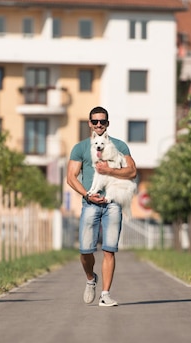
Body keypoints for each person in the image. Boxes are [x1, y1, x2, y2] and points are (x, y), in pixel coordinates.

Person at [66, 106, 137, 307]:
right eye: (95, 121)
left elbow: (132, 172)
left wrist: (109, 170)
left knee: (109, 250)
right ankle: (91, 278)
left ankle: (105, 295)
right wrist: (87, 194)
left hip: (113, 203)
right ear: (89, 123)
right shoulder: (80, 148)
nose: (99, 124)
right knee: (85, 250)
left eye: (102, 121)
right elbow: (71, 178)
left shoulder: (119, 146)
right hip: (90, 203)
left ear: (107, 123)